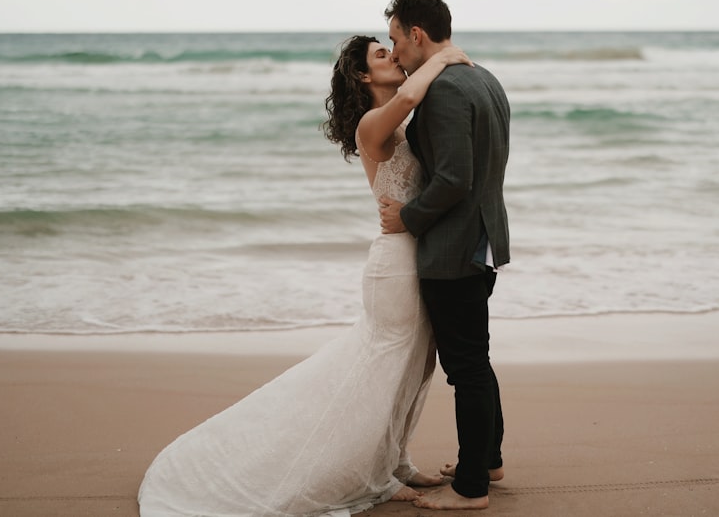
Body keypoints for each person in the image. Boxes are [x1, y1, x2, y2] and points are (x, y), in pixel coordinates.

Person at [137, 36, 471, 516]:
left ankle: (397, 460)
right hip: (394, 263)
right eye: (381, 55)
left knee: (418, 365)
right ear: (361, 76)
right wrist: (441, 55)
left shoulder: (407, 126)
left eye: (391, 50)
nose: (394, 58)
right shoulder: (372, 124)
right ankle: (373, 472)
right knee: (387, 366)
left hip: (420, 255)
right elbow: (409, 96)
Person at [379, 0, 511, 511]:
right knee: (476, 361)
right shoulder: (485, 77)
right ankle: (489, 459)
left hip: (456, 249)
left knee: (466, 369)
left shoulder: (445, 90)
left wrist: (407, 216)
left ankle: (472, 487)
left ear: (417, 34)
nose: (394, 52)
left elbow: (454, 178)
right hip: (484, 239)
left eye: (395, 39)